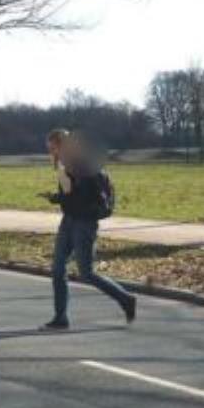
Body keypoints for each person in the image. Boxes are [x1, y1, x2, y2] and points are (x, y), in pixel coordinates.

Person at [40, 129, 136, 331]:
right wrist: (56, 197)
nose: (50, 152)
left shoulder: (80, 163)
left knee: (86, 273)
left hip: (84, 223)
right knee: (57, 268)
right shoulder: (67, 164)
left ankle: (126, 299)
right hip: (69, 220)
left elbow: (78, 195)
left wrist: (60, 191)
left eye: (52, 148)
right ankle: (60, 318)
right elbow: (71, 195)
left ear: (62, 145)